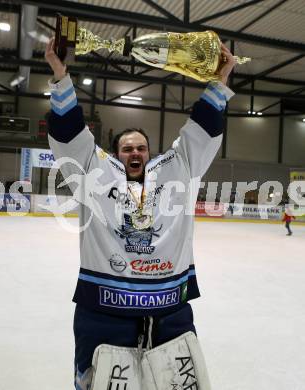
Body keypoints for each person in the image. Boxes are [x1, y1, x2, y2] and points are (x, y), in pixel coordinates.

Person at [45, 37, 235, 389]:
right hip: (104, 316)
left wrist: (221, 80)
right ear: (117, 154)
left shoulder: (177, 172)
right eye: (127, 147)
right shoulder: (96, 175)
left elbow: (203, 131)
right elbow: (69, 135)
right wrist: (60, 77)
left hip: (171, 316)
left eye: (141, 147)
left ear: (150, 152)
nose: (135, 152)